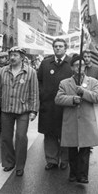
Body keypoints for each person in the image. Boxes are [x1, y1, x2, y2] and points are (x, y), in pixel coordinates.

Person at [0, 46, 39, 176]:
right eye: (11, 55)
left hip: (23, 110)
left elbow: (34, 92)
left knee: (21, 137)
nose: (12, 57)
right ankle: (8, 163)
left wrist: (34, 110)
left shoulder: (31, 72)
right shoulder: (2, 71)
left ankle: (20, 165)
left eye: (15, 55)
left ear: (22, 57)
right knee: (6, 137)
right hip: (6, 109)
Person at [55, 54, 98, 183]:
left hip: (87, 120)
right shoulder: (64, 83)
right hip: (71, 120)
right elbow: (58, 99)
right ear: (71, 67)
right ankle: (73, 173)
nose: (79, 67)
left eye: (81, 65)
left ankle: (83, 175)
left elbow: (97, 98)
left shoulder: (93, 82)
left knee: (85, 150)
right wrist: (72, 99)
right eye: (76, 65)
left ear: (85, 67)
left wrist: (84, 92)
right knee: (72, 149)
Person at [37, 38, 73, 171]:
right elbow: (39, 80)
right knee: (50, 133)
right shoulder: (46, 63)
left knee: (65, 133)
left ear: (65, 48)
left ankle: (65, 160)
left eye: (61, 46)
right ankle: (51, 159)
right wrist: (42, 93)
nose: (58, 48)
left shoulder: (72, 64)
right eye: (56, 46)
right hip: (49, 104)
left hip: (66, 105)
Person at [0, 51, 9, 135]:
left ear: (6, 58)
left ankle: (0, 128)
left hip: (5, 92)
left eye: (2, 58)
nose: (0, 59)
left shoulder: (9, 67)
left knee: (3, 113)